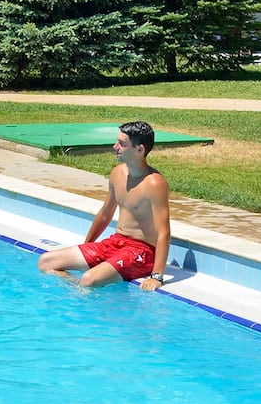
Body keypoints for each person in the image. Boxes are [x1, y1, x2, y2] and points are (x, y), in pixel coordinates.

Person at [37, 120, 172, 290]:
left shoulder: (154, 183)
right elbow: (105, 214)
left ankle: (82, 290)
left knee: (88, 280)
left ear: (140, 149)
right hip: (115, 243)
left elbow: (164, 232)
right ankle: (77, 289)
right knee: (46, 262)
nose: (115, 147)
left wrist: (157, 277)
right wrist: (87, 244)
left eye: (122, 144)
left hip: (140, 252)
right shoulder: (118, 173)